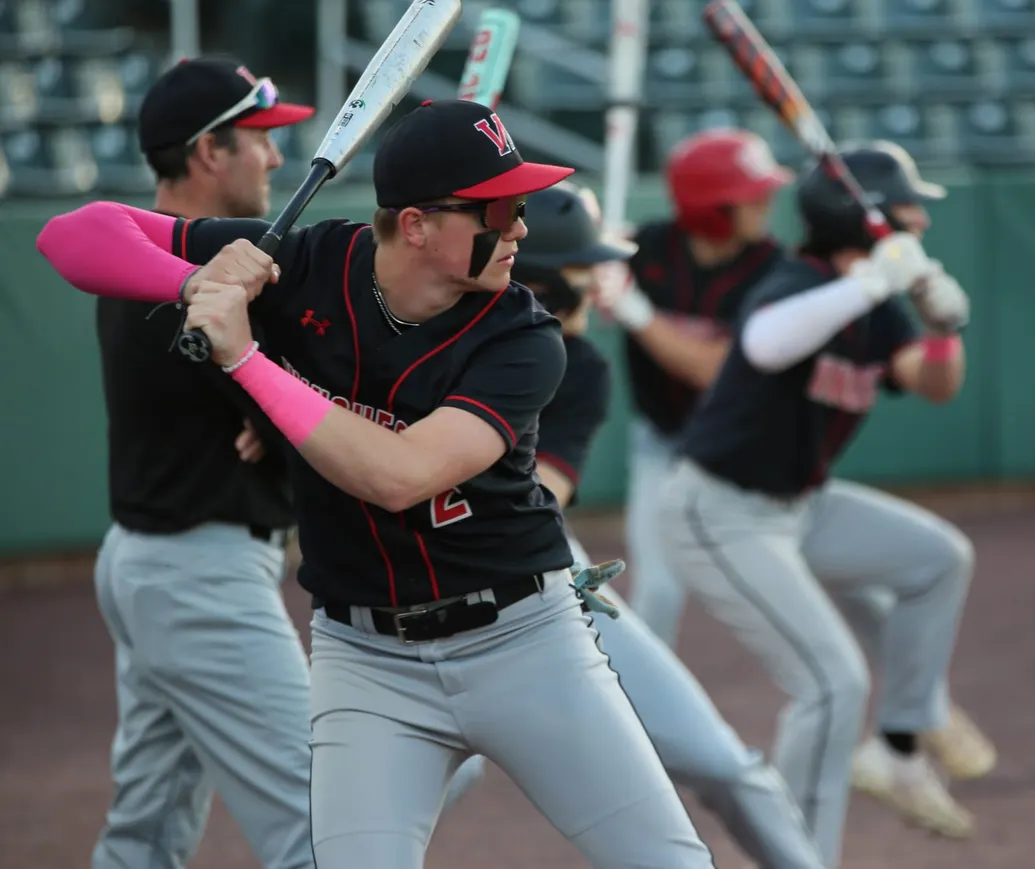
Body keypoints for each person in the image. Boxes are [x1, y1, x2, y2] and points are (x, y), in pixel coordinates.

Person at [37, 99, 715, 869]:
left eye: (521, 205)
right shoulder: (312, 259)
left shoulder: (524, 336)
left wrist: (248, 359)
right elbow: (72, 234)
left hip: (522, 641)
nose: (521, 227)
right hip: (367, 660)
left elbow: (398, 476)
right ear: (418, 226)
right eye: (500, 208)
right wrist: (195, 281)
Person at [440, 181, 826, 869]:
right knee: (405, 778)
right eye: (587, 269)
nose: (601, 283)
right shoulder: (413, 341)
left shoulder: (577, 366)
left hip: (544, 578)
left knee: (719, 760)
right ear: (550, 286)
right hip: (403, 602)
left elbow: (537, 503)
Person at [655, 141, 989, 862]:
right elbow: (769, 343)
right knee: (831, 682)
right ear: (862, 219)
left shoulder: (878, 303)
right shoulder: (796, 281)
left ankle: (900, 746)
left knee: (937, 558)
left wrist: (939, 327)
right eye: (908, 209)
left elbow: (934, 385)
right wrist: (871, 283)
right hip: (718, 511)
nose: (920, 224)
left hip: (798, 507)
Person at [87, 56, 316, 869]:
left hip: (159, 562)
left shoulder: (141, 257)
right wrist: (283, 406)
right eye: (259, 140)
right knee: (327, 826)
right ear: (209, 152)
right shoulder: (174, 271)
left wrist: (278, 408)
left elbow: (285, 414)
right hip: (198, 573)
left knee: (146, 834)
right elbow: (312, 424)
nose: (278, 158)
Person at [592, 127, 790, 650]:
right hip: (663, 444)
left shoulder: (774, 270)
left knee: (817, 575)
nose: (767, 200)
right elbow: (565, 297)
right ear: (711, 206)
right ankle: (640, 721)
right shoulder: (647, 247)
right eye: (752, 193)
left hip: (751, 455)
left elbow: (716, 372)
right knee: (656, 591)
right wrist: (590, 263)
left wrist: (635, 310)